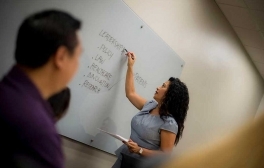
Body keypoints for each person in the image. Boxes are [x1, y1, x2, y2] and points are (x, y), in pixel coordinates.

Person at [0, 10, 82, 168]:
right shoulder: (38, 131)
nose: (78, 65)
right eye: (78, 56)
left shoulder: (6, 93)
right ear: (61, 57)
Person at [112, 52, 190, 168]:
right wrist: (130, 66)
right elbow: (131, 93)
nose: (158, 87)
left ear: (171, 95)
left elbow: (164, 156)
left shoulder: (169, 123)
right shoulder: (150, 105)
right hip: (125, 158)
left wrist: (140, 150)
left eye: (163, 86)